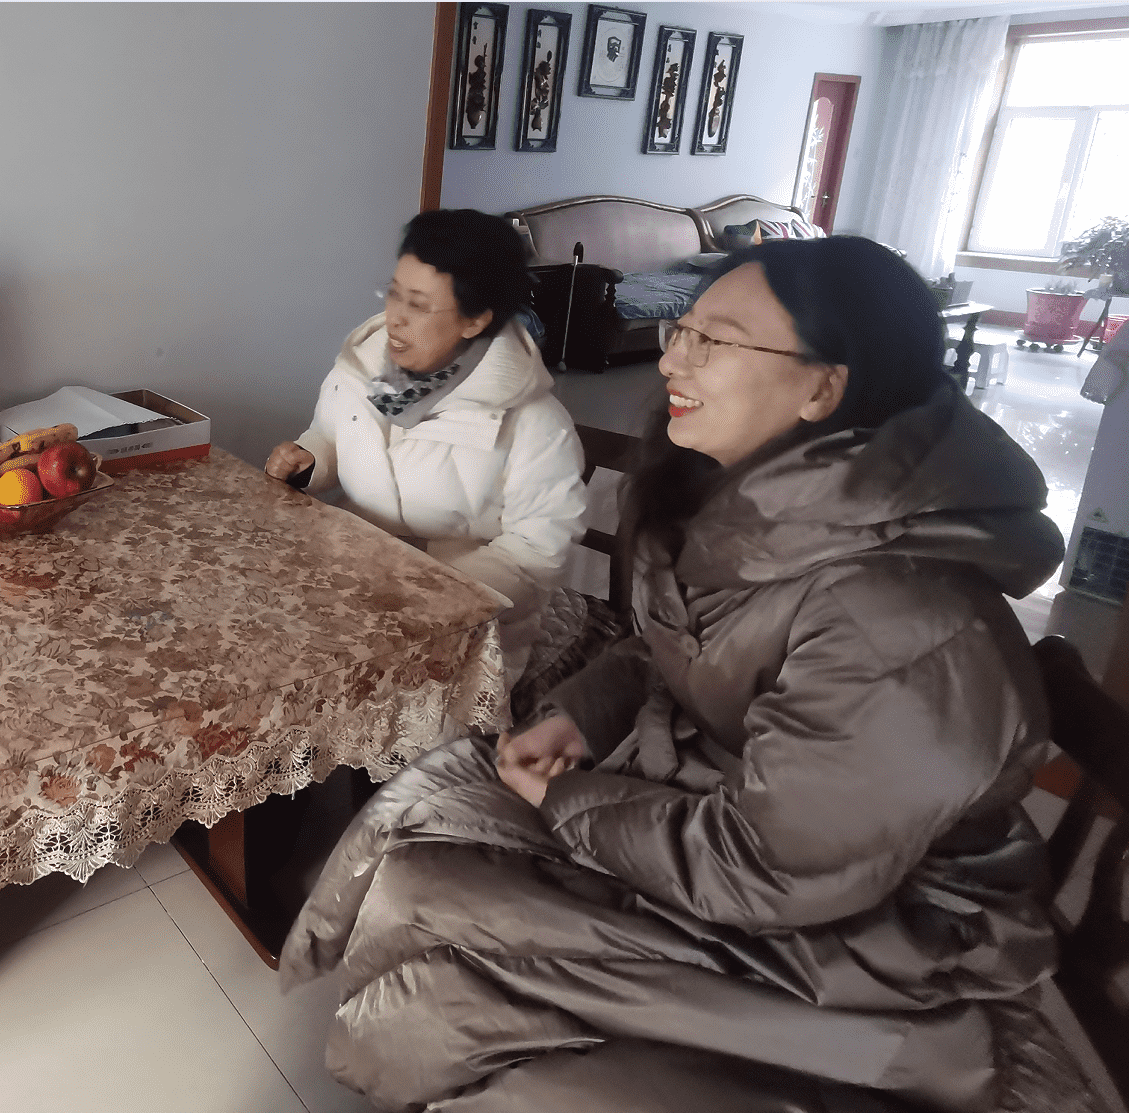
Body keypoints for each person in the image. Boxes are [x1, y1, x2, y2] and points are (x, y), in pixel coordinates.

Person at [279, 236, 1102, 1112]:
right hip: (743, 828)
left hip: (870, 933)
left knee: (445, 943)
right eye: (682, 330)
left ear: (823, 386)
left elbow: (770, 866)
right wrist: (580, 714)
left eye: (715, 340)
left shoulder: (902, 621)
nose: (672, 358)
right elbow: (680, 646)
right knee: (425, 863)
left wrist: (565, 799)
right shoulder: (738, 496)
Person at [265, 208, 586, 689]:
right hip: (359, 586)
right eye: (394, 293)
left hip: (466, 629)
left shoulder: (535, 424)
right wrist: (310, 461)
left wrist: (428, 590)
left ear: (475, 320)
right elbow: (330, 434)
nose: (395, 317)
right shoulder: (364, 372)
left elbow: (537, 551)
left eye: (418, 304)